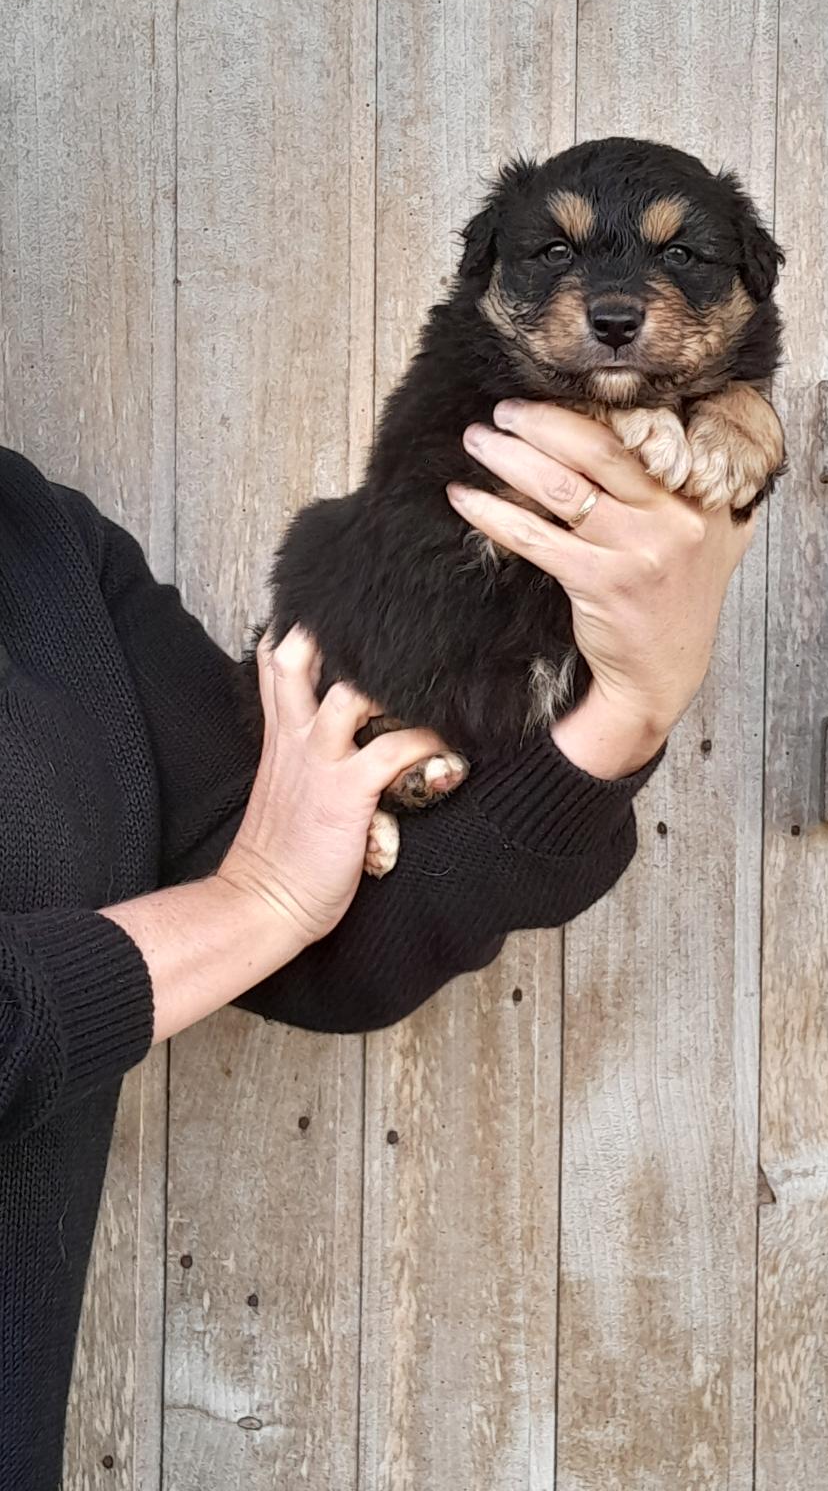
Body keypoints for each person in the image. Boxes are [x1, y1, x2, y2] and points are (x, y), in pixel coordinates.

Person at [0, 398, 754, 1488]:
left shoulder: (38, 552)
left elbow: (319, 936)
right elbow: (251, 905)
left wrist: (625, 704)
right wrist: (251, 899)